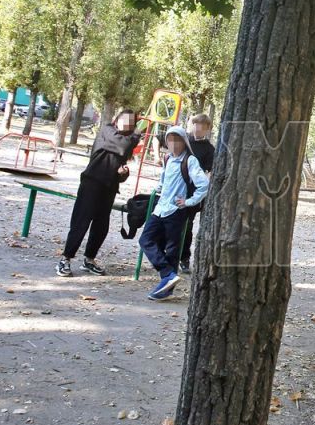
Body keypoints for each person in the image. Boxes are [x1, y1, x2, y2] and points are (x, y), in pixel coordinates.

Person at [57, 109, 140, 277]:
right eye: (124, 119)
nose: (127, 124)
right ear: (117, 119)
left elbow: (119, 164)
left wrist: (123, 173)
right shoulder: (108, 131)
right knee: (80, 222)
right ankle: (65, 258)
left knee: (101, 226)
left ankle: (89, 259)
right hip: (91, 183)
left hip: (109, 187)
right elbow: (123, 146)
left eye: (131, 122)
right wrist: (135, 137)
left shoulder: (127, 140)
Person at [140, 125, 209, 300]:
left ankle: (167, 290)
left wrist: (189, 202)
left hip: (176, 211)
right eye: (170, 140)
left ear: (184, 142)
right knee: (145, 240)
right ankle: (168, 274)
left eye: (177, 140)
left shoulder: (190, 161)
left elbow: (204, 185)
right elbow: (163, 180)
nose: (173, 144)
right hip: (160, 208)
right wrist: (158, 189)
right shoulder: (167, 158)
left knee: (172, 249)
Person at [178, 113, 216, 274]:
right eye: (196, 124)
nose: (198, 128)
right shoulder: (181, 140)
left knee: (187, 225)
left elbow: (211, 171)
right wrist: (158, 158)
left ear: (207, 129)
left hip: (192, 192)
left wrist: (203, 185)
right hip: (175, 188)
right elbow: (159, 140)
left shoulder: (209, 149)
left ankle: (184, 258)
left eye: (202, 126)